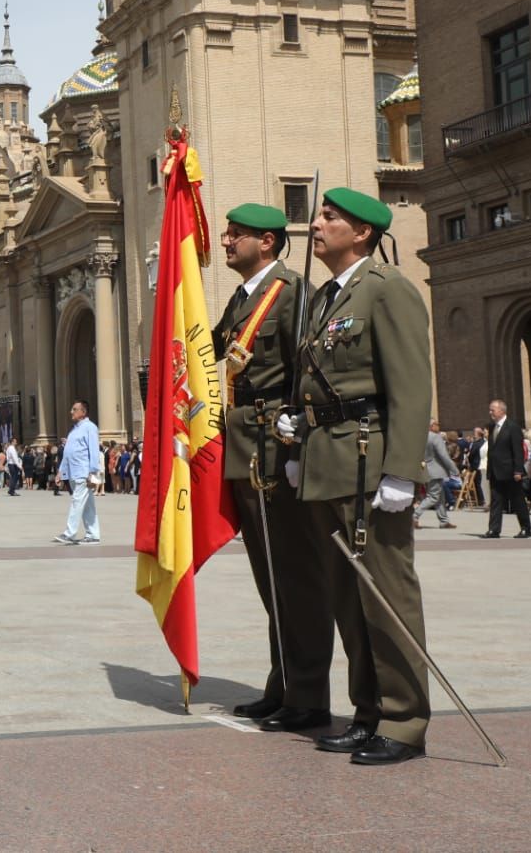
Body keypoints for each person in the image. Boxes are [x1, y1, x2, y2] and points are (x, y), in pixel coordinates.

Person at [280, 187, 431, 767]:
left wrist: (403, 470)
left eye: (328, 218)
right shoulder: (325, 298)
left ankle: (405, 721)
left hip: (370, 463)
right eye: (319, 216)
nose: (315, 225)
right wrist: (299, 428)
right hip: (329, 462)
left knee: (387, 595)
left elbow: (411, 383)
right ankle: (367, 714)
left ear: (362, 232)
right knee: (348, 599)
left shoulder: (386, 289)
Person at [213, 202, 333, 732]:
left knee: (295, 575)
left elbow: (305, 376)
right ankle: (283, 685)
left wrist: (296, 444)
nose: (224, 241)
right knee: (270, 576)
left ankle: (308, 697)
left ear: (266, 241)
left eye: (235, 235)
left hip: (274, 449)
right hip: (245, 448)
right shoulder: (243, 299)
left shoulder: (291, 295)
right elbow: (208, 349)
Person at [53, 400, 102, 545]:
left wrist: (92, 471)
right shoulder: (74, 430)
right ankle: (93, 534)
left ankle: (70, 533)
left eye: (74, 409)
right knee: (87, 505)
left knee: (77, 501)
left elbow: (94, 450)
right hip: (73, 472)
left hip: (83, 471)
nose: (71, 412)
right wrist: (60, 472)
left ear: (83, 412)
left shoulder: (90, 427)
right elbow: (68, 453)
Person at [484, 400, 530, 539]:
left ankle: (525, 528)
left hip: (510, 471)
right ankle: (494, 530)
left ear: (502, 410)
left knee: (517, 500)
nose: (490, 412)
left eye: (493, 410)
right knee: (496, 501)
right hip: (495, 471)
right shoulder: (492, 427)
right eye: (490, 410)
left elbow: (518, 450)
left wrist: (518, 470)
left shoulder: (512, 427)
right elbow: (492, 450)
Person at [415, 420, 459, 529]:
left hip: (426, 469)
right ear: (431, 426)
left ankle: (444, 520)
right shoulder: (435, 437)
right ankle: (414, 516)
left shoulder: (421, 437)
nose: (439, 426)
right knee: (433, 497)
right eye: (437, 424)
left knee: (440, 497)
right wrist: (455, 470)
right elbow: (444, 456)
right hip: (436, 471)